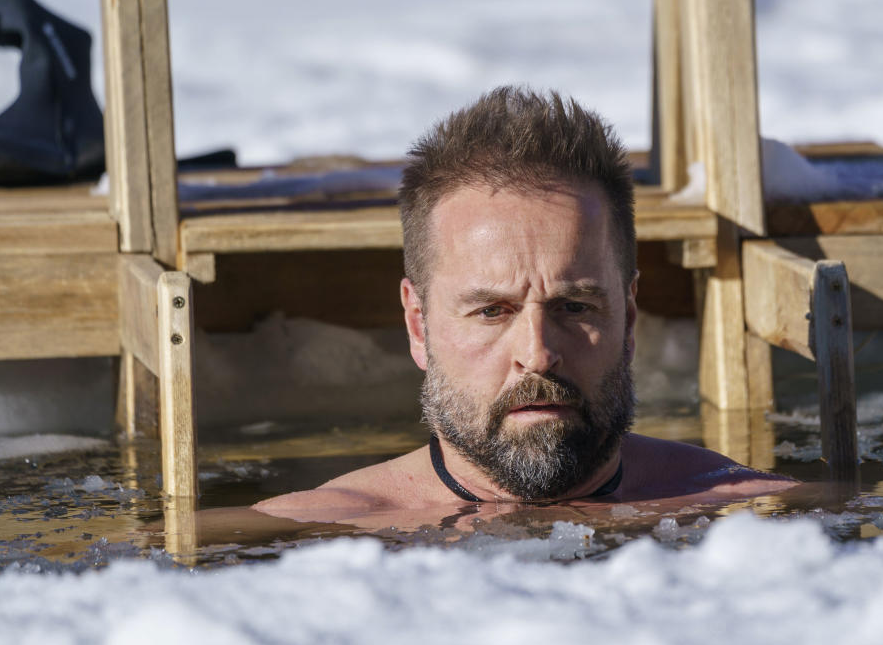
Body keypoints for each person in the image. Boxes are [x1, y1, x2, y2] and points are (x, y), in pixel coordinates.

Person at [254, 86, 796, 524]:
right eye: (492, 311)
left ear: (628, 319)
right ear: (419, 326)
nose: (537, 356)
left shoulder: (758, 515)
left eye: (575, 306)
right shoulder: (307, 538)